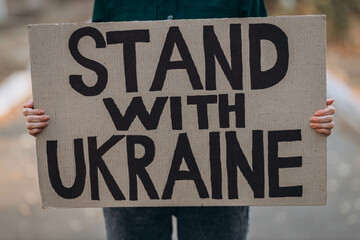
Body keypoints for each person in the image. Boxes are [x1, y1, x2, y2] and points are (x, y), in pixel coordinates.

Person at [22, 1, 336, 239]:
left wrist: (305, 114)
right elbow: (96, 79)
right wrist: (54, 109)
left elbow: (265, 77)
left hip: (220, 182)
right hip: (130, 183)